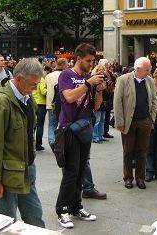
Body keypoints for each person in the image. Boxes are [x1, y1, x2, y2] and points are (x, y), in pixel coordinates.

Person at [55, 43, 106, 228]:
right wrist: (87, 84)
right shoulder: (66, 75)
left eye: (93, 61)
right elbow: (68, 97)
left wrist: (99, 89)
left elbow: (96, 106)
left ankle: (76, 207)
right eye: (88, 60)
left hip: (85, 128)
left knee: (81, 170)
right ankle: (62, 210)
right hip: (69, 129)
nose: (91, 64)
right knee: (70, 172)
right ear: (78, 58)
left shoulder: (88, 77)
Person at [0, 58, 45, 227]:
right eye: (32, 84)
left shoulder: (28, 99)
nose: (35, 88)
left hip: (27, 168)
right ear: (19, 79)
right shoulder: (1, 102)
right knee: (7, 221)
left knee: (35, 215)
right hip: (7, 175)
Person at [114, 57, 157, 190]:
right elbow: (117, 102)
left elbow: (154, 100)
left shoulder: (149, 81)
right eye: (147, 70)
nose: (149, 72)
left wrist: (151, 118)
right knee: (128, 151)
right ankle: (128, 178)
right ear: (138, 69)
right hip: (129, 121)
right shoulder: (123, 80)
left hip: (145, 120)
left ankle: (140, 178)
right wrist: (120, 121)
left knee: (142, 151)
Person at [44, 58, 68, 150]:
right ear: (63, 65)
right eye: (66, 64)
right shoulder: (65, 75)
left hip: (50, 103)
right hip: (63, 103)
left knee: (52, 124)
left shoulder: (48, 76)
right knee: (62, 124)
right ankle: (61, 142)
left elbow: (45, 88)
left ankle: (52, 141)